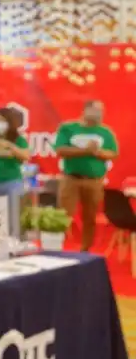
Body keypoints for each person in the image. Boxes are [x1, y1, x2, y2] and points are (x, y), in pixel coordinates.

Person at [55, 100, 119, 251]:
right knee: (63, 215)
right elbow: (60, 150)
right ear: (85, 110)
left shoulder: (106, 132)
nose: (99, 114)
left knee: (90, 217)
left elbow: (113, 154)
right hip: (71, 179)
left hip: (94, 181)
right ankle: (58, 247)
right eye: (96, 110)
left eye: (101, 111)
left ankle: (85, 250)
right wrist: (85, 150)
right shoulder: (68, 128)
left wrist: (97, 152)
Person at [0, 107, 31, 238]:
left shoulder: (18, 139)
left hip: (12, 183)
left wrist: (9, 146)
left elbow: (26, 156)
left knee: (14, 218)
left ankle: (15, 240)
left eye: (2, 121)